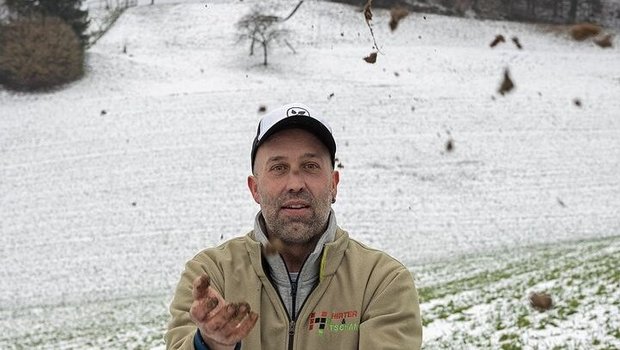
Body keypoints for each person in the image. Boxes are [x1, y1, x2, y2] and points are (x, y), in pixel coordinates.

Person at [165, 102, 423, 350]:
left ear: (334, 184)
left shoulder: (381, 281)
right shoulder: (211, 274)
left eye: (310, 166)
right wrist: (211, 344)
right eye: (278, 168)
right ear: (255, 189)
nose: (295, 183)